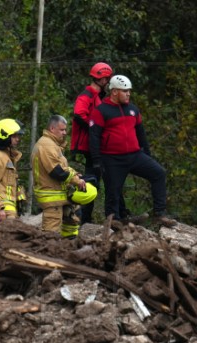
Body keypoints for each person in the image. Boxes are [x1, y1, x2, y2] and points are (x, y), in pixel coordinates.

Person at [89, 74, 175, 226]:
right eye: (125, 91)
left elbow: (141, 133)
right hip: (112, 158)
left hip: (135, 155)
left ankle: (159, 214)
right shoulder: (101, 110)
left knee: (159, 173)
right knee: (113, 190)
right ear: (115, 92)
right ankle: (113, 221)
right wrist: (97, 160)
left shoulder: (133, 110)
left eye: (129, 91)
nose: (128, 94)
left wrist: (147, 154)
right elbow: (94, 136)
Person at [32, 115, 90, 238]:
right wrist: (76, 181)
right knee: (51, 236)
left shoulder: (52, 145)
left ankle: (67, 250)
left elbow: (62, 167)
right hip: (52, 198)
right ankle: (49, 255)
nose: (64, 133)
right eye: (62, 130)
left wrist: (76, 174)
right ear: (52, 129)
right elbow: (57, 172)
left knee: (71, 224)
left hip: (59, 196)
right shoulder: (46, 145)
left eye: (65, 130)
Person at [71, 62, 112, 224]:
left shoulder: (97, 97)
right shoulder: (87, 95)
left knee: (96, 180)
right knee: (91, 181)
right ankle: (84, 219)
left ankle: (87, 218)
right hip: (88, 146)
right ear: (101, 79)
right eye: (107, 79)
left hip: (94, 146)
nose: (108, 82)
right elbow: (79, 115)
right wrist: (95, 128)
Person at [0, 118, 24, 222]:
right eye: (14, 136)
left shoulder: (7, 156)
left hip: (8, 211)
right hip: (1, 213)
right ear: (5, 135)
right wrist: (0, 207)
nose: (17, 139)